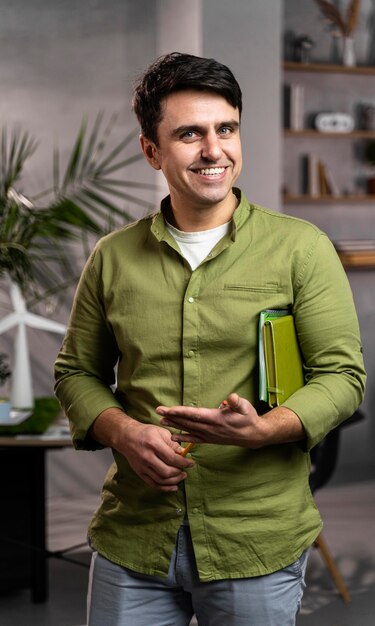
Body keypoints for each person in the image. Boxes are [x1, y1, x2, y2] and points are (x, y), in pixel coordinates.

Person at [54, 52, 366, 626]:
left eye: (226, 128)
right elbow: (76, 372)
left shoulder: (302, 248)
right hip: (135, 537)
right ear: (152, 150)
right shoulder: (113, 257)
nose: (214, 150)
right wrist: (123, 431)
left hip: (255, 536)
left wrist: (266, 428)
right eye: (189, 134)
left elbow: (343, 378)